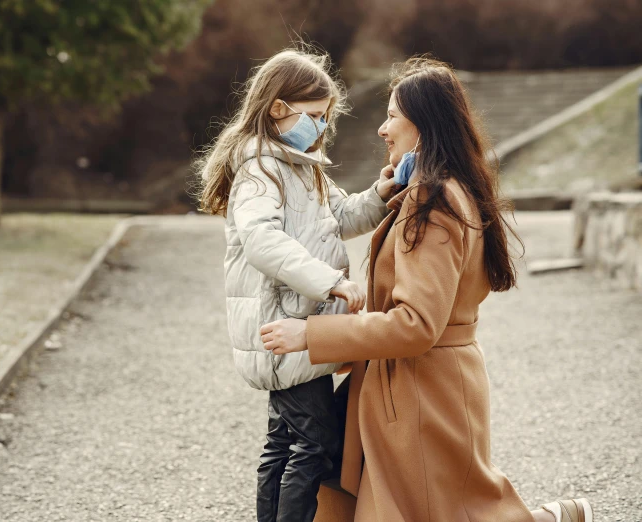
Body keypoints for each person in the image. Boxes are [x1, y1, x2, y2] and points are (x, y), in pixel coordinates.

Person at [259, 56, 593, 522]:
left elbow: (415, 324)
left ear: (423, 124)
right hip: (422, 389)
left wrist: (310, 334)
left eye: (392, 115)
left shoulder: (431, 201)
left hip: (419, 395)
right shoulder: (446, 189)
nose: (381, 128)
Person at [197, 48, 398, 522]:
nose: (320, 128)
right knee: (315, 443)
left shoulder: (302, 165)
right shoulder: (261, 171)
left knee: (284, 441)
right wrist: (332, 283)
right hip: (282, 329)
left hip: (300, 326)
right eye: (311, 116)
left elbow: (340, 218)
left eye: (325, 118)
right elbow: (261, 240)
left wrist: (379, 194)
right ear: (277, 109)